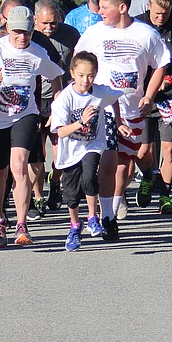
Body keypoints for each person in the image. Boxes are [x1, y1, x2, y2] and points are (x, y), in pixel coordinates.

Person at [74, 0, 170, 239]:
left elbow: (161, 63)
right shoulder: (95, 32)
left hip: (133, 108)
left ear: (122, 8)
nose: (101, 12)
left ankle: (112, 212)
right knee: (108, 161)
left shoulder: (145, 34)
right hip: (102, 107)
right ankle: (107, 218)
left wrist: (149, 95)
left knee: (124, 165)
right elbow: (77, 60)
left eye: (105, 8)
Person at [0, 5, 64, 248]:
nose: (23, 37)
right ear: (8, 28)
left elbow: (55, 75)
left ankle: (22, 225)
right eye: (18, 32)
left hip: (25, 115)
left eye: (28, 33)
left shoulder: (37, 52)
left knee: (20, 165)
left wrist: (57, 103)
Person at [50, 51, 127, 250]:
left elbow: (115, 97)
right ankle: (75, 226)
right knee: (71, 194)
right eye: (81, 75)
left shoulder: (100, 92)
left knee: (90, 176)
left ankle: (93, 216)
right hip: (70, 149)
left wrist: (118, 122)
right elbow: (60, 132)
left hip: (92, 145)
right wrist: (80, 122)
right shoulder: (64, 99)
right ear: (72, 73)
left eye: (91, 75)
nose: (86, 80)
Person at [134, 0, 172, 213]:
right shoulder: (136, 26)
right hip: (141, 97)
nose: (160, 18)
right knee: (142, 150)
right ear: (149, 6)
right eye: (156, 13)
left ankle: (165, 196)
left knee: (169, 150)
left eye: (164, 14)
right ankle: (148, 176)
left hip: (169, 98)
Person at [34, 0, 74, 211]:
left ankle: (56, 181)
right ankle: (38, 196)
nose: (49, 28)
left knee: (61, 154)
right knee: (37, 154)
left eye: (53, 23)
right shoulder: (29, 38)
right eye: (44, 24)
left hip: (61, 98)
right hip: (36, 100)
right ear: (35, 20)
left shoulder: (70, 35)